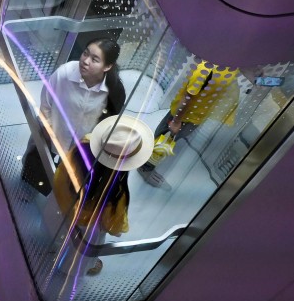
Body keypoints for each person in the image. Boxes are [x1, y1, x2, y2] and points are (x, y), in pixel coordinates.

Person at [21, 37, 126, 195]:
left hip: (81, 143)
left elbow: (108, 121)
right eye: (85, 53)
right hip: (52, 132)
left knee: (69, 177)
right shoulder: (65, 73)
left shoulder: (115, 91)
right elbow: (46, 103)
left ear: (107, 66)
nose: (85, 61)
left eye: (94, 59)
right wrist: (47, 127)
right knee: (38, 164)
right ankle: (29, 189)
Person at [53, 115, 153, 275]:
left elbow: (60, 174)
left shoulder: (83, 144)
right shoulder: (113, 188)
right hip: (84, 226)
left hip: (60, 204)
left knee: (56, 232)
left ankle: (53, 245)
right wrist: (117, 229)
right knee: (77, 253)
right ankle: (69, 270)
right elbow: (114, 224)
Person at [137, 60, 239, 190]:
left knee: (168, 137)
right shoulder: (205, 70)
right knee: (166, 139)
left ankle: (147, 160)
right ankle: (145, 167)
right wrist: (176, 121)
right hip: (185, 116)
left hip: (197, 116)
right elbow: (187, 98)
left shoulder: (230, 65)